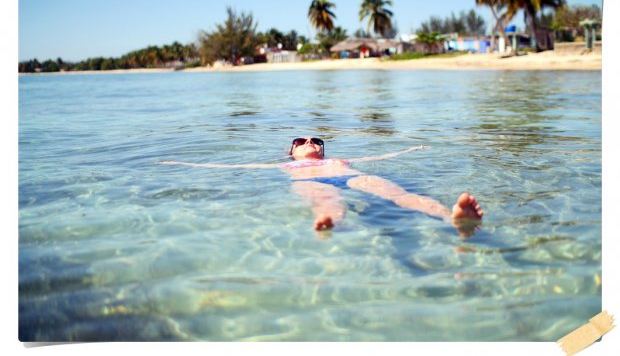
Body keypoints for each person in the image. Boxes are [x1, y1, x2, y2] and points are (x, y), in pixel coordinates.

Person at [160, 137, 484, 235]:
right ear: (291, 152)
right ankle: (331, 222)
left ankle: (452, 217)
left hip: (351, 176)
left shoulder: (340, 160)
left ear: (324, 149)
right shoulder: (289, 165)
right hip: (312, 181)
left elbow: (381, 155)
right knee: (327, 201)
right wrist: (183, 164)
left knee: (401, 195)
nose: (310, 143)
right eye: (300, 141)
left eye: (316, 140)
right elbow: (237, 167)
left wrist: (412, 149)